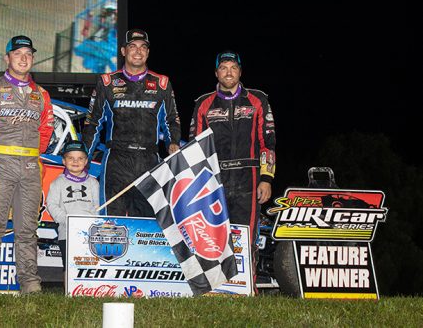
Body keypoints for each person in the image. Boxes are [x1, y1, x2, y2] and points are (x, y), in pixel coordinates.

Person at [0, 35, 54, 295]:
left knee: (28, 228)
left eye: (28, 53)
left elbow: (46, 131)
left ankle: (30, 283)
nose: (24, 58)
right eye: (18, 53)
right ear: (7, 58)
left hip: (30, 167)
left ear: (33, 58)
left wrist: (30, 156)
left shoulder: (42, 95)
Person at [189, 50, 276, 293]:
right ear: (216, 72)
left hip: (248, 176)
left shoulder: (258, 100)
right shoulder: (203, 103)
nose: (229, 72)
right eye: (224, 68)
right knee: (211, 233)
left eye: (233, 67)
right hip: (214, 177)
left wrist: (267, 178)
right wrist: (198, 182)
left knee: (246, 235)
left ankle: (247, 288)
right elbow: (195, 146)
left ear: (240, 71)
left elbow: (268, 143)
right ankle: (212, 287)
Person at [83, 29, 181, 217]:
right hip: (116, 160)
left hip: (150, 160)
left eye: (143, 47)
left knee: (148, 224)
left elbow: (171, 119)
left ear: (148, 52)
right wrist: (84, 154)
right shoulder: (107, 82)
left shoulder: (161, 83)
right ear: (123, 51)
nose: (138, 51)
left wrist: (173, 142)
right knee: (112, 221)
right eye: (132, 47)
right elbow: (92, 122)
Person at [46, 140, 100, 272]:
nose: (75, 162)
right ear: (64, 161)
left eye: (80, 158)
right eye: (71, 158)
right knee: (69, 268)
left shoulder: (93, 182)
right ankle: (69, 292)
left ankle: (88, 290)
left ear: (86, 161)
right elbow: (51, 205)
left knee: (90, 266)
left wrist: (90, 221)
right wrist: (68, 221)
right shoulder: (57, 183)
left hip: (90, 233)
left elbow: (98, 205)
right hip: (67, 232)